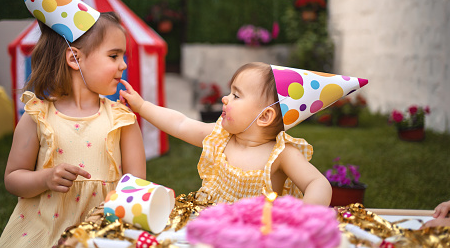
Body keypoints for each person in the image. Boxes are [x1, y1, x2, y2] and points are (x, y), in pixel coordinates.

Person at [0, 0, 146, 248]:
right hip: (45, 230)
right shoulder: (37, 116)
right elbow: (13, 178)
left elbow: (136, 186)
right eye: (114, 56)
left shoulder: (122, 119)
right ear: (74, 58)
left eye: (123, 57)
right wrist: (45, 178)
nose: (123, 65)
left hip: (102, 233)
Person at [120, 62, 333, 206]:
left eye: (236, 95)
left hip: (254, 237)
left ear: (264, 116)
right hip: (212, 229)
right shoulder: (219, 136)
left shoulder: (281, 153)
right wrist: (142, 106)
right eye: (230, 92)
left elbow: (318, 183)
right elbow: (180, 124)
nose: (225, 98)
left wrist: (302, 218)